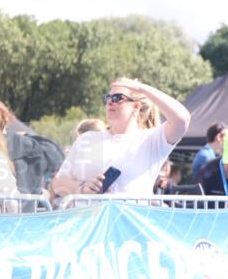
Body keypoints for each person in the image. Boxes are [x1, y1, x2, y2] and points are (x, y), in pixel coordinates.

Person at [52, 78, 191, 198]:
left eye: (117, 98)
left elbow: (182, 119)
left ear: (136, 107)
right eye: (107, 97)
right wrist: (81, 188)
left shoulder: (151, 140)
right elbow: (58, 183)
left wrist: (142, 88)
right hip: (89, 220)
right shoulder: (87, 139)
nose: (110, 102)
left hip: (130, 221)